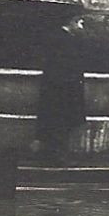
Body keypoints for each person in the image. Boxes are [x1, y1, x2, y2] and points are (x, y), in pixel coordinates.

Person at [33, 11, 89, 165]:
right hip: (62, 89)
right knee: (60, 122)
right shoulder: (63, 40)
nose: (81, 26)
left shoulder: (62, 38)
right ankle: (57, 155)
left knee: (58, 122)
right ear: (71, 22)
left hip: (59, 87)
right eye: (79, 22)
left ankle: (54, 154)